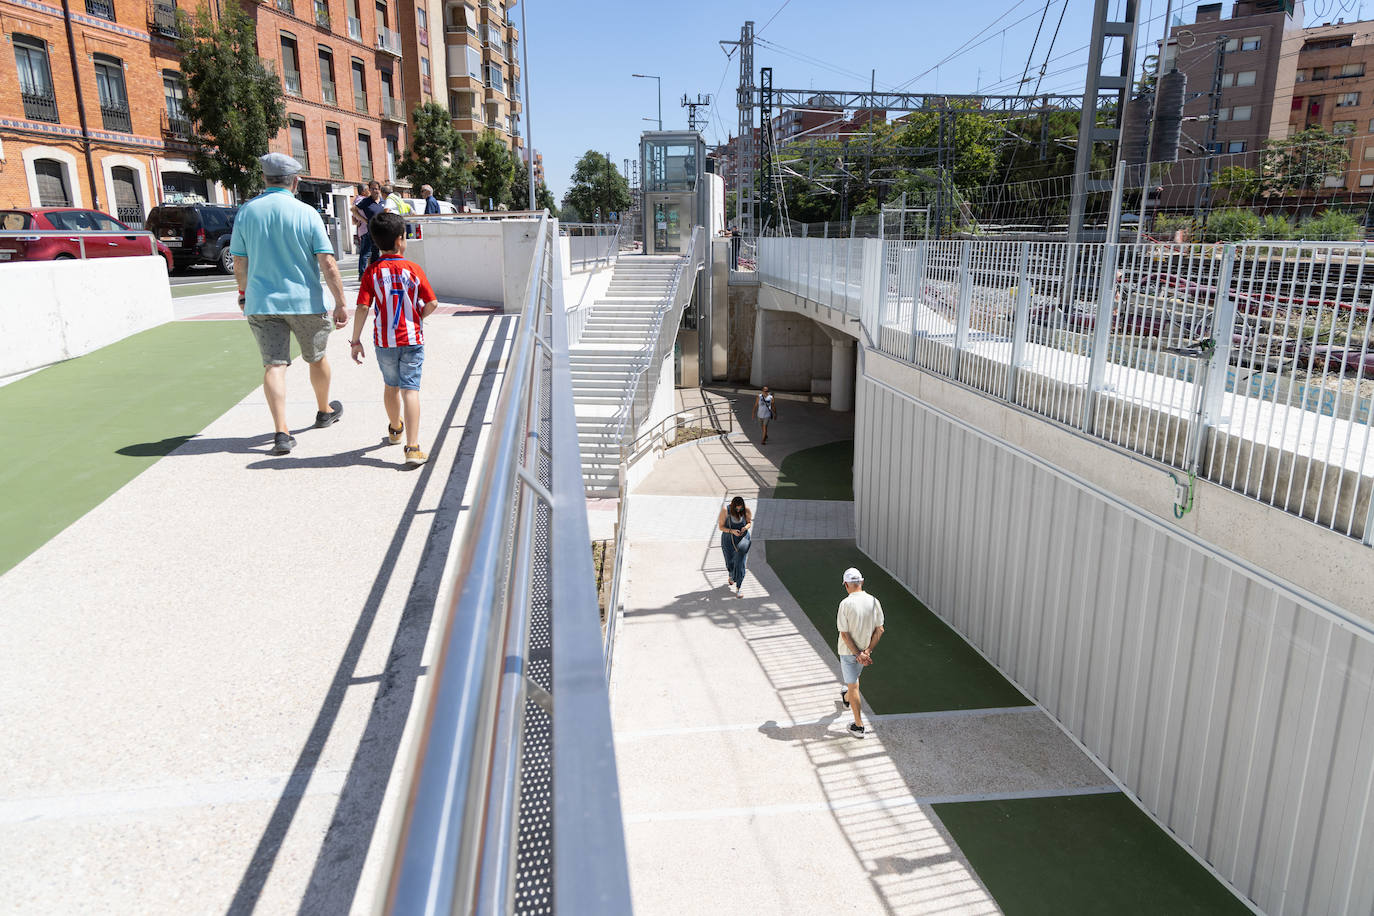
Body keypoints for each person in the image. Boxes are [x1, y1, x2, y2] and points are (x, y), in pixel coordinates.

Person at [231, 152, 348, 456]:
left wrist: (243, 293)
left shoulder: (247, 212)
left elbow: (239, 261)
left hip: (262, 302)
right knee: (317, 356)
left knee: (274, 364)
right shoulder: (307, 213)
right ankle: (324, 411)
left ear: (264, 179)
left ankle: (281, 432)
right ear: (296, 181)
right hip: (304, 302)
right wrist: (340, 303)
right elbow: (328, 262)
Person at [348, 211, 438, 467]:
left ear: (375, 241)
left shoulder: (372, 272)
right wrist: (418, 317)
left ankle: (395, 430)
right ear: (400, 240)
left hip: (384, 341)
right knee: (411, 389)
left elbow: (363, 307)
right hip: (411, 339)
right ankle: (413, 447)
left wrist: (355, 340)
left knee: (391, 385)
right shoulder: (413, 269)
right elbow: (432, 302)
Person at [837, 567, 884, 739]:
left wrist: (857, 654)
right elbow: (880, 629)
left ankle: (858, 726)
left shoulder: (845, 604)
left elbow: (844, 633)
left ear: (846, 585)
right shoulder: (874, 601)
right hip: (865, 652)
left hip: (849, 653)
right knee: (853, 683)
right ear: (861, 582)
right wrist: (867, 652)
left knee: (854, 685)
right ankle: (846, 695)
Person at [716, 496, 752, 598]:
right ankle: (731, 574)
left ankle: (739, 588)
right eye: (737, 508)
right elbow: (721, 527)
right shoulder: (725, 510)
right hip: (728, 538)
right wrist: (732, 531)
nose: (739, 510)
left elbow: (749, 522)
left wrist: (745, 528)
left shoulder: (746, 510)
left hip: (743, 539)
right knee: (729, 560)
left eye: (740, 508)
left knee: (741, 563)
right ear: (732, 505)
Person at [353, 180, 384, 273]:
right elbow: (354, 209)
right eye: (372, 189)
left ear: (379, 189)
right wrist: (363, 220)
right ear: (369, 190)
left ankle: (378, 271)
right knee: (371, 253)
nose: (374, 191)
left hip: (383, 231)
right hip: (371, 231)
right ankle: (366, 274)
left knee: (382, 252)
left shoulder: (383, 201)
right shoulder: (366, 201)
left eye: (376, 189)